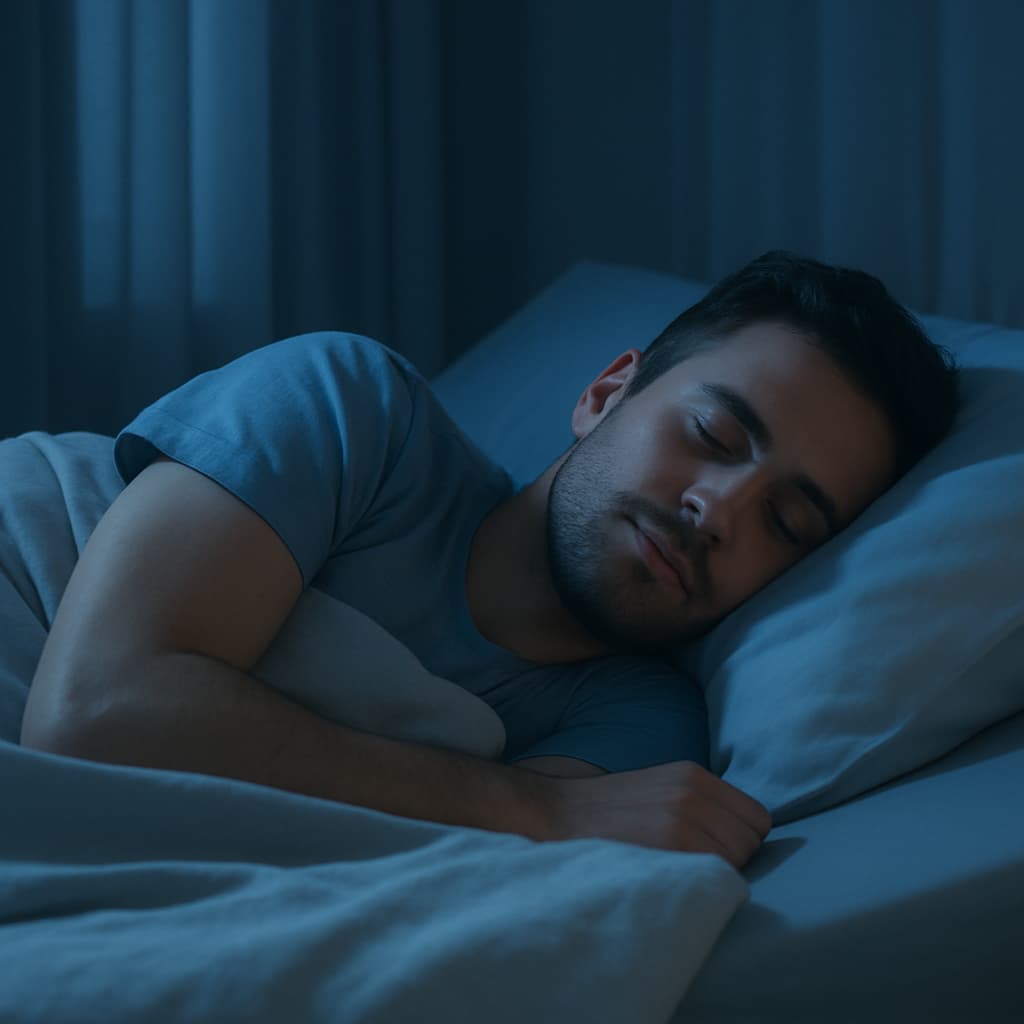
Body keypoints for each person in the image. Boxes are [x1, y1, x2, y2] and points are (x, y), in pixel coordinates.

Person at [19, 251, 958, 869]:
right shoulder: (353, 411)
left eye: (787, 523)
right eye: (711, 433)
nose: (718, 511)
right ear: (605, 393)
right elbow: (93, 712)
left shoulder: (640, 733)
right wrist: (537, 810)